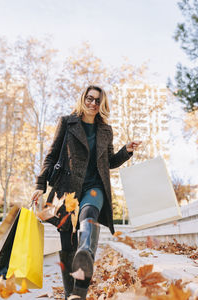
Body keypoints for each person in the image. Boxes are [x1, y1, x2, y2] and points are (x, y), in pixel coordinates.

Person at [31, 85, 141, 300]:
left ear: (102, 105)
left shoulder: (105, 130)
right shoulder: (67, 123)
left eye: (97, 101)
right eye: (89, 99)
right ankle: (71, 294)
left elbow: (108, 162)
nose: (93, 103)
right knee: (67, 244)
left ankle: (85, 254)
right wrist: (40, 185)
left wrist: (126, 151)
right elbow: (51, 155)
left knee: (89, 215)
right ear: (83, 99)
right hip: (67, 190)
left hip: (94, 187)